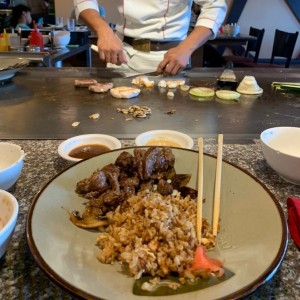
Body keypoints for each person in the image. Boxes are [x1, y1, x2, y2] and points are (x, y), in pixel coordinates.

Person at [73, 0, 227, 76]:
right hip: (125, 54)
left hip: (172, 58)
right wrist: (103, 29)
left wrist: (186, 48)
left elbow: (215, 5)